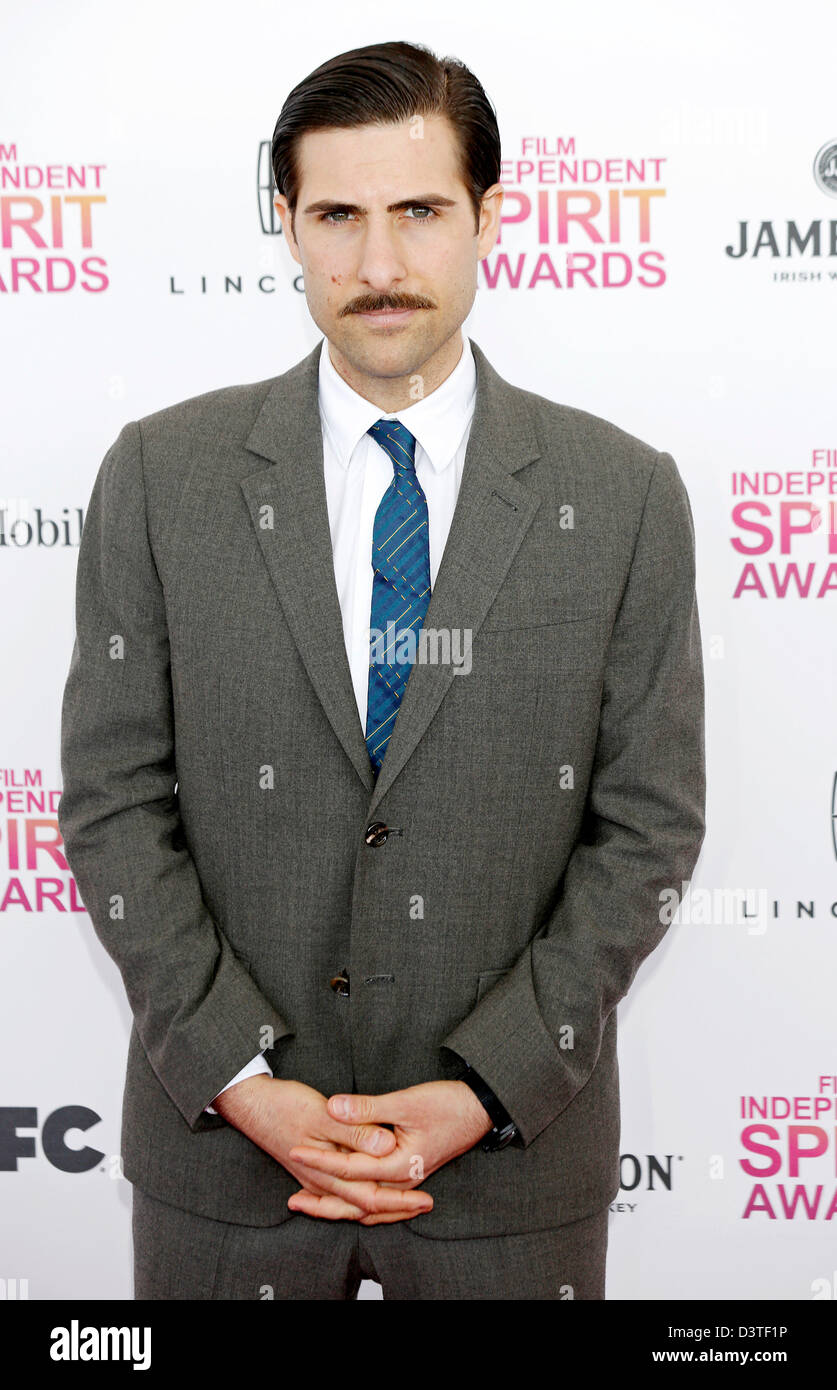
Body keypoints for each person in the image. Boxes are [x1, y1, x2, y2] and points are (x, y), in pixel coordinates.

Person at [57, 39, 705, 1301]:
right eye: (337, 216)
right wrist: (248, 1086)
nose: (379, 264)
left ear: (489, 219)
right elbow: (111, 802)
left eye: (419, 212)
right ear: (287, 226)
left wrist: (484, 1090)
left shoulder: (620, 496)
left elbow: (650, 828)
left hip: (510, 1171)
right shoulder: (160, 476)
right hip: (225, 1169)